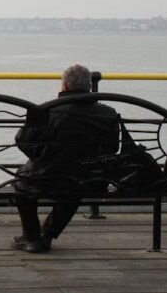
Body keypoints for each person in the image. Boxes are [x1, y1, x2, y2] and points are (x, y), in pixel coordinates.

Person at [12, 64, 120, 253]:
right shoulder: (108, 113)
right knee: (74, 186)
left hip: (49, 178)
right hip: (91, 181)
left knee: (22, 182)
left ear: (65, 86)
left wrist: (41, 157)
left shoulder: (47, 111)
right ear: (89, 86)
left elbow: (24, 142)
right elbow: (112, 148)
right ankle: (47, 234)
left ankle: (32, 236)